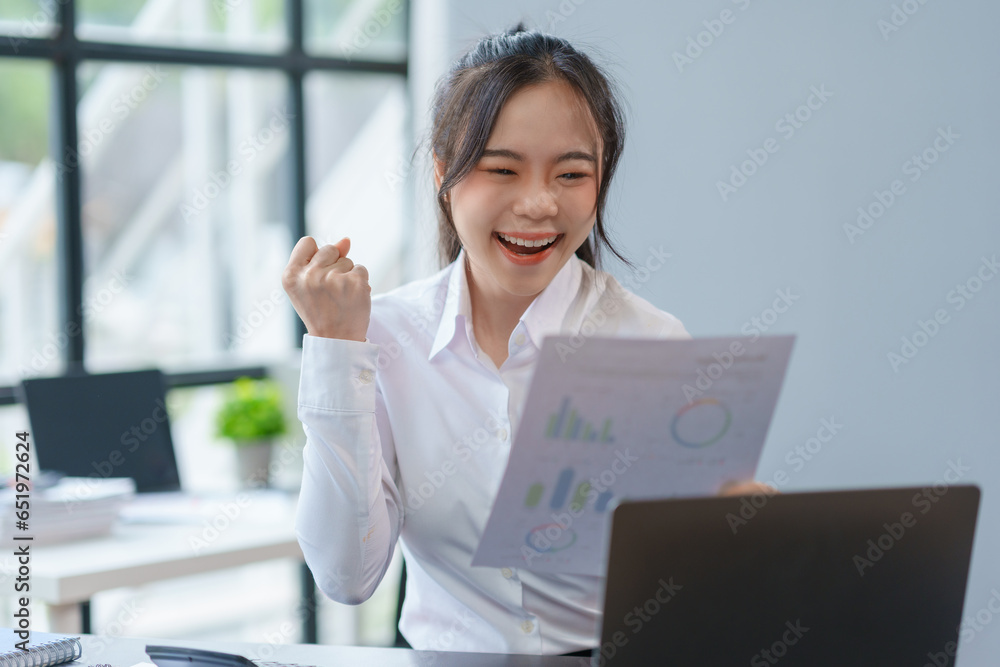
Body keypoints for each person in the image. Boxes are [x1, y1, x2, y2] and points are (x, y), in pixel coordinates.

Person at [282, 24, 768, 656]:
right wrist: (335, 350)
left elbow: (697, 582)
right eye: (502, 169)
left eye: (571, 174)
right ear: (444, 174)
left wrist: (741, 533)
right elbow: (346, 577)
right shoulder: (386, 339)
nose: (539, 204)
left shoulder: (651, 345)